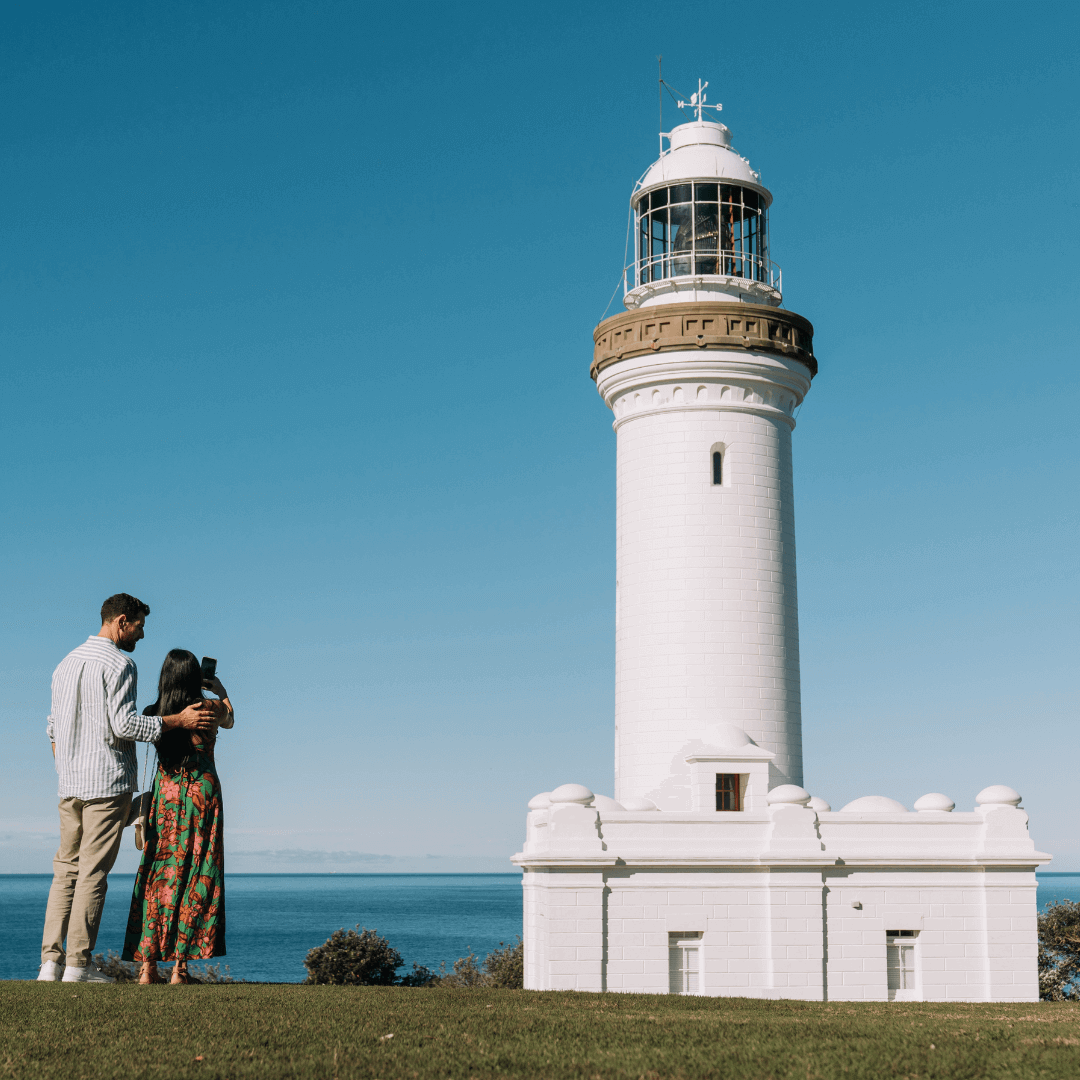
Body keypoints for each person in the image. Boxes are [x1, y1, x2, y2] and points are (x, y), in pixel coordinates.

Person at [39, 594, 222, 983]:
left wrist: (66, 768)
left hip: (69, 784)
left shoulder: (65, 663)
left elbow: (53, 728)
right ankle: (76, 966)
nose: (141, 634)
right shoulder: (120, 663)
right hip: (105, 782)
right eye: (139, 625)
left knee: (65, 872)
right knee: (92, 874)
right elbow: (125, 726)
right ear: (123, 621)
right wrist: (178, 719)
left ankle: (49, 964)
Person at [122, 649, 234, 984]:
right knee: (198, 874)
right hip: (202, 794)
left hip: (166, 796)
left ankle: (147, 967)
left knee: (158, 875)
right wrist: (221, 692)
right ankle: (180, 970)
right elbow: (230, 718)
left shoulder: (153, 713)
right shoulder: (208, 708)